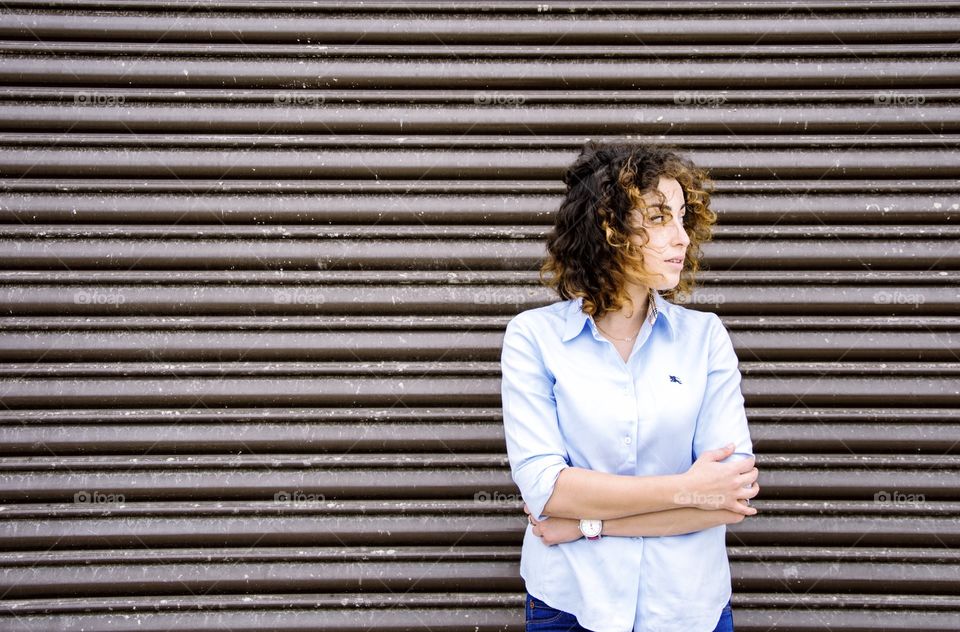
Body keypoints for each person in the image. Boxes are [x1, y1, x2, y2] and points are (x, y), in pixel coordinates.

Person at [499, 141, 760, 632]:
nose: (681, 237)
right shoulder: (533, 337)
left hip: (688, 608)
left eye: (684, 218)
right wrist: (687, 488)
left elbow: (728, 497)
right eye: (660, 218)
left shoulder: (704, 338)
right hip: (571, 603)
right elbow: (547, 491)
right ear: (607, 228)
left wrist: (586, 525)